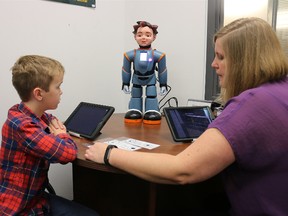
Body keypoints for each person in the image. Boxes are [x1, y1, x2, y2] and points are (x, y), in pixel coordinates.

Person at [85, 17, 288, 216]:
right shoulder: (281, 88)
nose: (213, 64)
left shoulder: (249, 106)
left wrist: (108, 153)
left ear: (245, 61)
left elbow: (182, 170)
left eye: (221, 57)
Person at [0, 55, 99, 216]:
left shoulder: (35, 115)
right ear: (39, 94)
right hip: (19, 207)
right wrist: (61, 135)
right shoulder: (22, 126)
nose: (61, 92)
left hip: (37, 198)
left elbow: (53, 122)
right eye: (58, 87)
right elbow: (67, 154)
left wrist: (60, 134)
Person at [122, 21, 168, 124]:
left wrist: (163, 84)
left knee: (151, 95)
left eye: (148, 35)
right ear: (135, 37)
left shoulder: (158, 55)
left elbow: (162, 70)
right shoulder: (130, 54)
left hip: (151, 78)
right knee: (135, 96)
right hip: (136, 78)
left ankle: (151, 110)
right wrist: (125, 83)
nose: (144, 38)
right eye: (140, 35)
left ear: (154, 37)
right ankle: (135, 109)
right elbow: (126, 69)